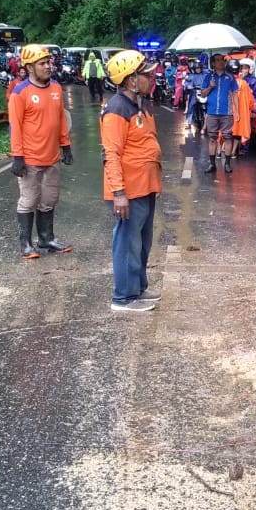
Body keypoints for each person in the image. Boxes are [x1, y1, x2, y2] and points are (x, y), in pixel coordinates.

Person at [100, 49, 163, 312]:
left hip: (145, 187)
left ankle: (138, 288)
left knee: (142, 242)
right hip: (129, 190)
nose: (152, 77)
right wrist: (119, 192)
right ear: (130, 79)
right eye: (146, 74)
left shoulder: (139, 104)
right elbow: (111, 154)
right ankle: (123, 297)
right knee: (128, 243)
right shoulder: (116, 109)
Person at [8, 44, 73, 259]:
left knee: (49, 198)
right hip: (30, 159)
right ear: (29, 67)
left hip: (51, 157)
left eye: (49, 62)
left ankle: (47, 238)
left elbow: (61, 119)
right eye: (42, 63)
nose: (48, 66)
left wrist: (65, 145)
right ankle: (25, 244)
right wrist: (18, 156)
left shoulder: (55, 88)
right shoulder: (20, 93)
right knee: (29, 199)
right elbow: (15, 127)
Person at [200, 52, 238, 174]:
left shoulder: (230, 77)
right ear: (213, 63)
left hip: (227, 113)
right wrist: (210, 87)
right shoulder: (208, 77)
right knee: (212, 138)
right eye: (217, 60)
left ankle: (227, 164)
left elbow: (235, 93)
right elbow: (203, 94)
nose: (220, 62)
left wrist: (237, 111)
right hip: (212, 112)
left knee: (227, 137)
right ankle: (212, 165)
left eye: (222, 60)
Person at [227, 58, 255, 162]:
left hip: (226, 113)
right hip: (240, 114)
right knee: (237, 133)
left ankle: (222, 152)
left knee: (225, 133)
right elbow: (251, 100)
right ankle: (233, 152)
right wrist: (253, 109)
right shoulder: (243, 83)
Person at [238, 57, 256, 155]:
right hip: (237, 108)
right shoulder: (236, 79)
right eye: (241, 68)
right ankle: (234, 147)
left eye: (245, 68)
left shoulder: (253, 81)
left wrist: (255, 111)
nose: (243, 70)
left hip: (248, 109)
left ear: (250, 69)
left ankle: (244, 148)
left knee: (246, 129)